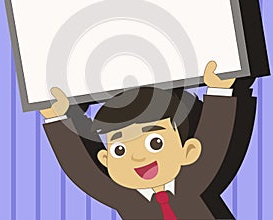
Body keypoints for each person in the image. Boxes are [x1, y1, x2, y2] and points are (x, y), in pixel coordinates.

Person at [41, 61, 256, 219]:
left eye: (155, 143)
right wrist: (58, 117)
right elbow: (85, 171)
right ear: (105, 159)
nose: (137, 157)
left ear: (188, 150)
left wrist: (220, 89)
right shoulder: (124, 196)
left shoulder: (194, 180)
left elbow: (214, 141)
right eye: (119, 150)